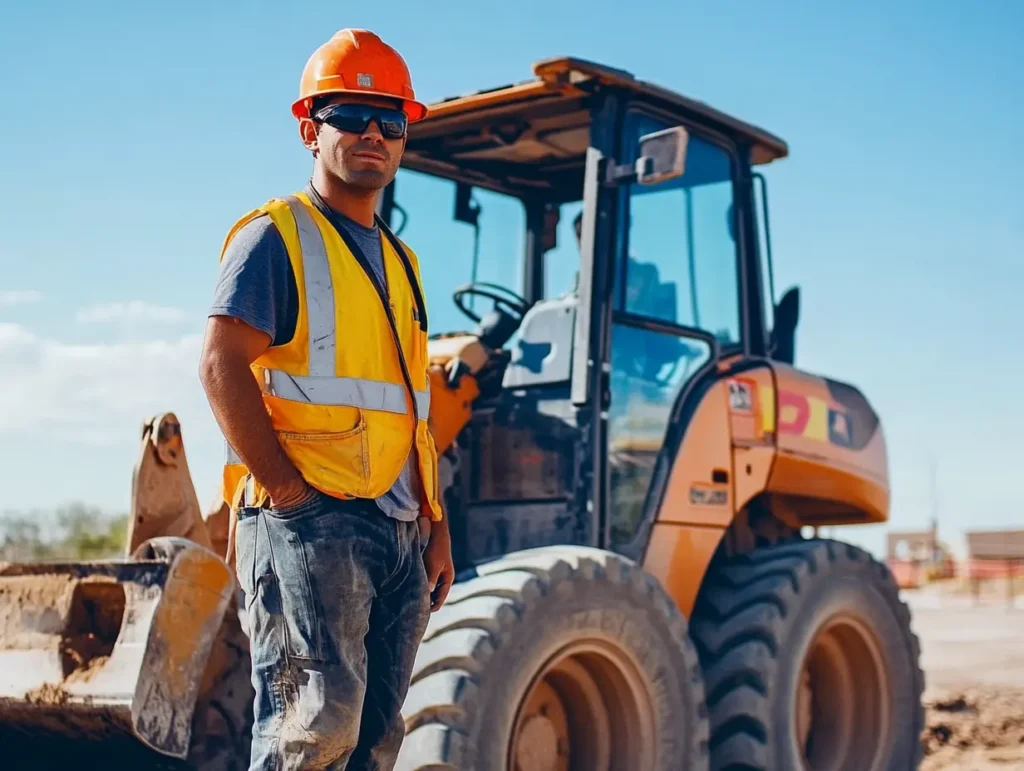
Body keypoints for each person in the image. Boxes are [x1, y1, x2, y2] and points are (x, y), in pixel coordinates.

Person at [198, 28, 454, 771]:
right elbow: (220, 366)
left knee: (374, 737)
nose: (373, 132)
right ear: (311, 128)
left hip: (399, 525)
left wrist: (435, 522)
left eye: (391, 119)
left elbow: (412, 408)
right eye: (351, 114)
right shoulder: (275, 237)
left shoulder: (403, 262)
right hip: (311, 517)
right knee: (313, 729)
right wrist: (286, 490)